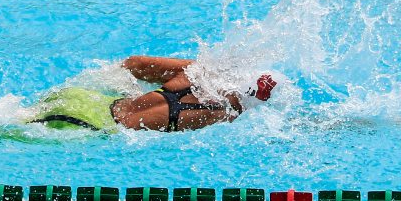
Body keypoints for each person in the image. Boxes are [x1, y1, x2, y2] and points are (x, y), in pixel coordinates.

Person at [28, 56, 277, 133]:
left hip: (84, 99)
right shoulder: (227, 116)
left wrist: (133, 93)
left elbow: (134, 64)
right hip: (88, 127)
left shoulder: (197, 73)